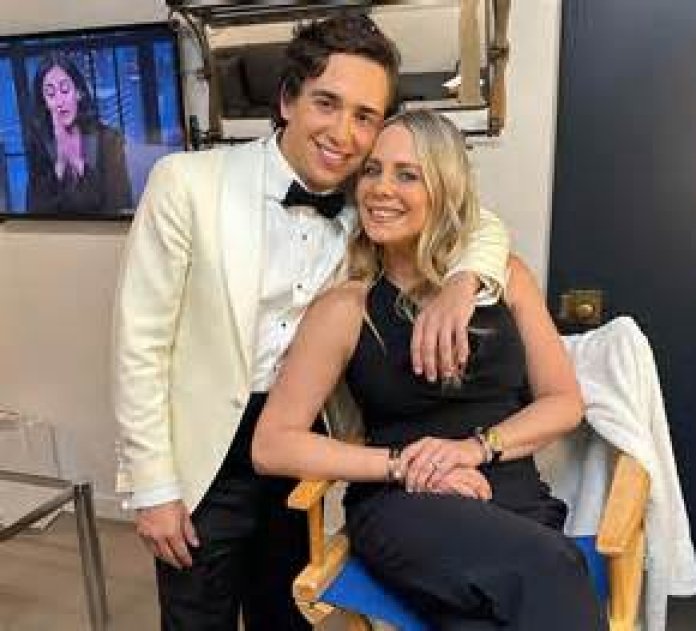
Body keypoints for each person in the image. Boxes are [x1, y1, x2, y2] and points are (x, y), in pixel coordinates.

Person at [112, 14, 509, 631]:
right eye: (327, 104)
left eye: (365, 116)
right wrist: (153, 487)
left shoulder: (369, 198)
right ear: (287, 101)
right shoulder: (187, 183)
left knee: (288, 612)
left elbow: (475, 220)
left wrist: (465, 282)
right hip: (203, 451)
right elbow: (139, 345)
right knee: (196, 618)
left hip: (304, 438)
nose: (344, 134)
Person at [252, 109, 608, 630]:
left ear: (444, 189)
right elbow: (272, 445)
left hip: (512, 497)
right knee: (552, 568)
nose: (380, 188)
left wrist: (474, 449)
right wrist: (404, 464)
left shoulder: (505, 280)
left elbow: (563, 402)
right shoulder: (347, 308)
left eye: (407, 175)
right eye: (371, 171)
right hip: (405, 505)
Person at [26, 51, 132, 215]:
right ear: (45, 103)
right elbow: (34, 212)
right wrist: (60, 165)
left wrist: (78, 163)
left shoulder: (109, 139)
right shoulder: (40, 145)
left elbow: (119, 205)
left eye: (65, 89)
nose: (60, 102)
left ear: (79, 92)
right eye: (51, 94)